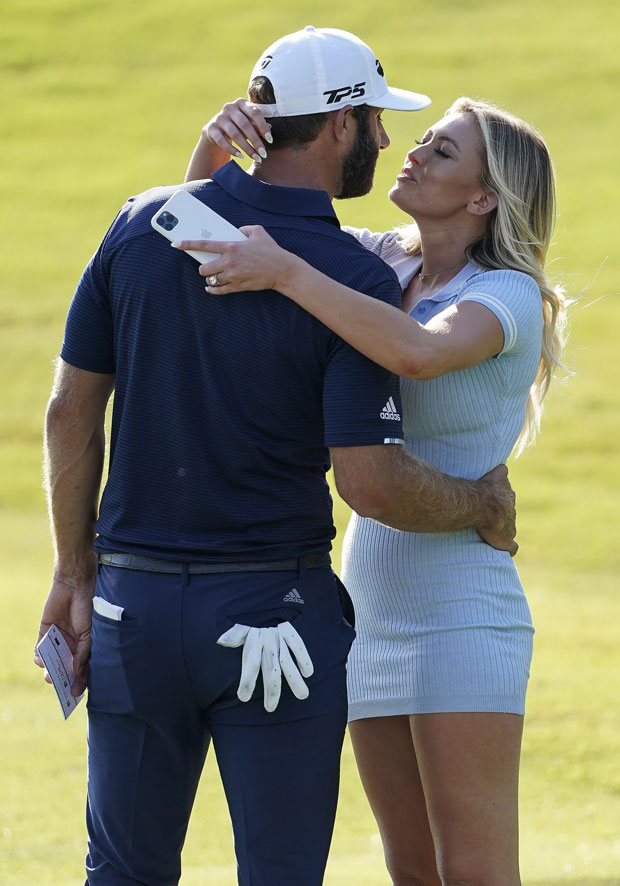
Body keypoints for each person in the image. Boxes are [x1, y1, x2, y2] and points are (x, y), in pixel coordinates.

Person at [175, 93, 568, 885]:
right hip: (367, 607)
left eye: (443, 152)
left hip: (463, 611)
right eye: (421, 140)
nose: (412, 154)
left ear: (485, 198)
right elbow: (201, 239)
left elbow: (416, 354)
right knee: (412, 872)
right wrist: (214, 152)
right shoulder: (377, 262)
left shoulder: (507, 296)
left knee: (476, 874)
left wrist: (286, 271)